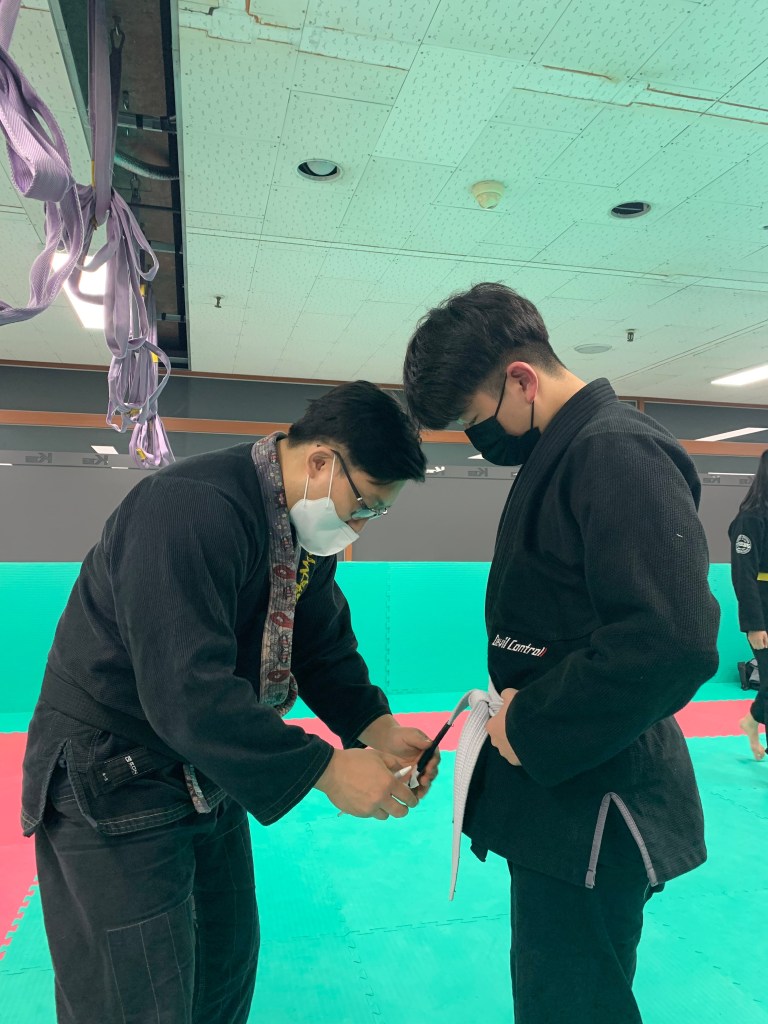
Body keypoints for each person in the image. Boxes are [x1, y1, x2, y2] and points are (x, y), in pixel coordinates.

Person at [21, 380, 439, 1024]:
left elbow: (319, 645)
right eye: (365, 505)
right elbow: (185, 691)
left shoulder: (298, 530)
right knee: (136, 998)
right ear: (322, 462)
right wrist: (327, 770)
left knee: (225, 970)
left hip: (207, 767)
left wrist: (376, 726)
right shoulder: (189, 508)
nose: (359, 525)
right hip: (111, 772)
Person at [402, 282, 720, 1024]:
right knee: (553, 996)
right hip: (560, 791)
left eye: (475, 419)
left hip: (596, 795)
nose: (479, 439)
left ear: (521, 378)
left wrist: (530, 722)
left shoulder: (617, 450)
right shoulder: (567, 449)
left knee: (574, 1006)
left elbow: (672, 639)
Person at [729, 450, 768, 760]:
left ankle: (752, 720)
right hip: (763, 609)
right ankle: (753, 721)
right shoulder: (750, 519)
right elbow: (743, 575)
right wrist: (754, 624)